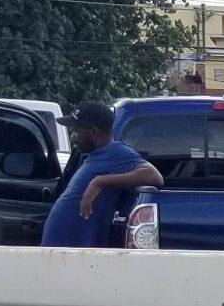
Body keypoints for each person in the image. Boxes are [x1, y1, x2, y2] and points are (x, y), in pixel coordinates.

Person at [39, 102, 161, 248]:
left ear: (93, 132)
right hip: (63, 251)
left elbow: (153, 175)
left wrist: (100, 182)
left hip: (77, 253)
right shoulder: (92, 155)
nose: (73, 135)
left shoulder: (116, 152)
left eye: (77, 130)